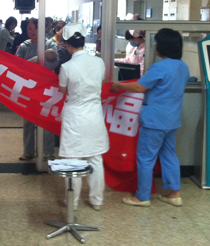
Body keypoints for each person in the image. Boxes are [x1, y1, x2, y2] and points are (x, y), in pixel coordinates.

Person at [110, 28, 189, 207]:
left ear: (163, 47)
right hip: (172, 120)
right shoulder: (183, 67)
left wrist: (118, 86)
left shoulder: (160, 67)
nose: (154, 46)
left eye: (156, 43)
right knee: (169, 155)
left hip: (155, 121)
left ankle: (142, 196)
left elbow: (139, 87)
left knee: (146, 157)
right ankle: (175, 194)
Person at [58, 24, 109, 211]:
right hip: (94, 115)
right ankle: (97, 201)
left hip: (75, 116)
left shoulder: (66, 67)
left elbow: (62, 90)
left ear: (68, 45)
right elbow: (100, 84)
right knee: (95, 158)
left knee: (73, 160)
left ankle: (73, 203)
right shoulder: (99, 62)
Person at [16, 18, 59, 160]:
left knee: (47, 119)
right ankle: (28, 151)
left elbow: (54, 63)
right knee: (28, 120)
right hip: (28, 88)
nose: (33, 32)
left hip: (47, 88)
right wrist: (38, 63)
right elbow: (18, 67)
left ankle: (48, 152)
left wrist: (32, 64)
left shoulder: (49, 43)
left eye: (35, 28)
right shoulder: (23, 46)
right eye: (30, 29)